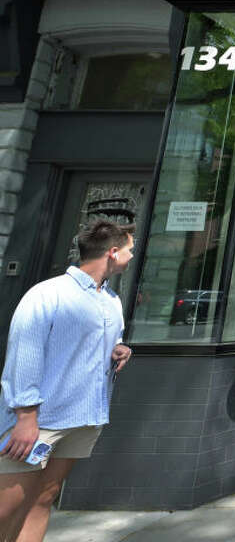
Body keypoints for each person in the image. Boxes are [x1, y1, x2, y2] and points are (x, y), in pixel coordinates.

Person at [0, 220, 135, 542]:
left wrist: (118, 349)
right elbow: (23, 357)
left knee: (43, 498)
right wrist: (26, 418)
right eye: (130, 250)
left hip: (84, 419)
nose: (132, 256)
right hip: (39, 422)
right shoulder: (48, 294)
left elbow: (100, 341)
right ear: (113, 253)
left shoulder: (112, 299)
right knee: (7, 507)